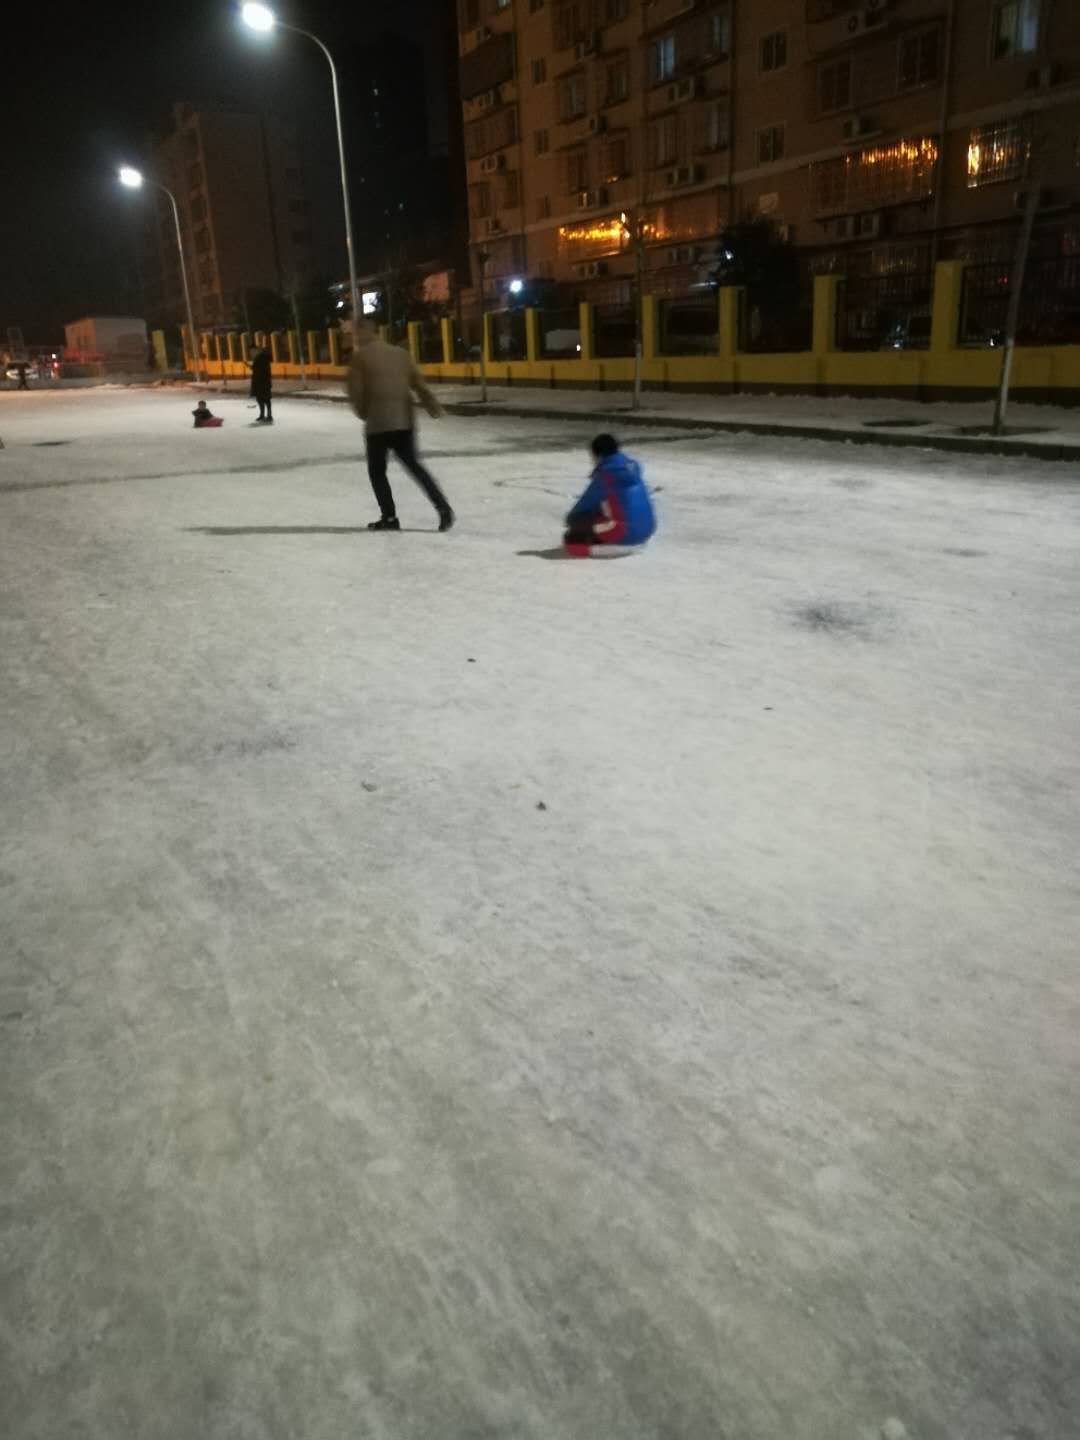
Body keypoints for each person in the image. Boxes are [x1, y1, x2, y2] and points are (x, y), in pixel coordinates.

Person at [347, 322, 454, 532]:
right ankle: (443, 508)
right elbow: (419, 384)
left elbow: (356, 393)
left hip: (378, 425)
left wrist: (364, 413)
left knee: (377, 472)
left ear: (361, 333)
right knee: (415, 467)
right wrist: (432, 406)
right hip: (404, 421)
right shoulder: (401, 354)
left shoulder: (359, 358)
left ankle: (389, 517)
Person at [564, 434, 656, 553]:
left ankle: (603, 545)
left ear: (599, 455)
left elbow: (583, 507)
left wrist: (572, 521)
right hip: (646, 530)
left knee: (573, 534)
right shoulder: (632, 469)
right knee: (609, 506)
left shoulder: (606, 476)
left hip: (625, 534)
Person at [248, 344, 273, 423]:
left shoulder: (261, 358)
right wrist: (251, 367)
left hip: (262, 382)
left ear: (256, 350)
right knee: (260, 399)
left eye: (252, 351)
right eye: (250, 352)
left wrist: (252, 367)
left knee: (265, 399)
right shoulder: (258, 358)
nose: (251, 353)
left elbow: (261, 370)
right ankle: (263, 415)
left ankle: (268, 415)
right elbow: (257, 369)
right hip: (260, 382)